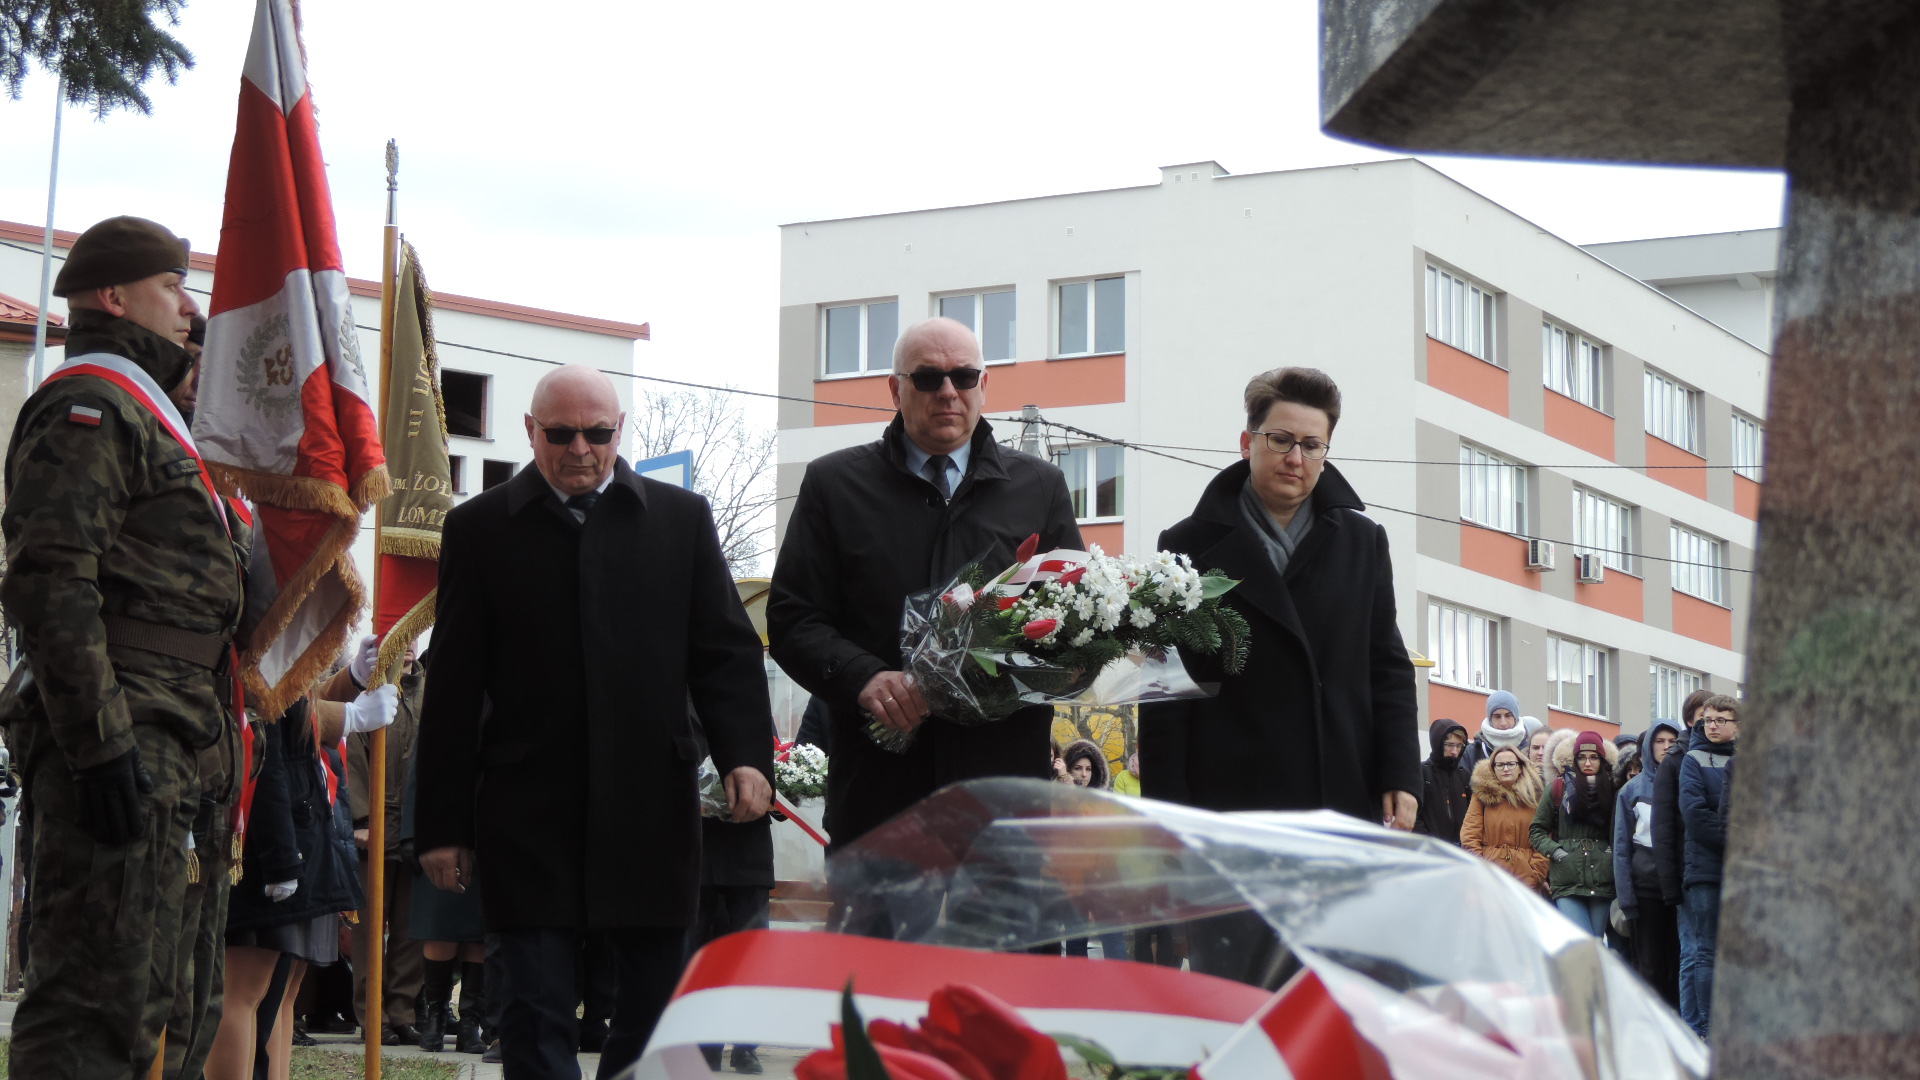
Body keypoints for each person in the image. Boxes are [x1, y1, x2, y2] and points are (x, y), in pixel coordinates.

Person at [414, 364, 775, 1079]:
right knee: (532, 1013)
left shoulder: (680, 519)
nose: (580, 449)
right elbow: (453, 684)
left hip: (651, 806)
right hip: (528, 811)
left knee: (656, 1013)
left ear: (620, 430)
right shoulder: (479, 528)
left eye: (598, 433)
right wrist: (442, 824)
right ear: (530, 431)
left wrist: (746, 756)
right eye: (560, 434)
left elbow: (725, 653)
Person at [0, 215, 253, 1079]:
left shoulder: (154, 413)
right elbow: (51, 580)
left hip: (182, 734)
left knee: (177, 1002)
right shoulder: (93, 405)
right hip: (128, 734)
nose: (191, 309)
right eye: (172, 288)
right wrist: (100, 744)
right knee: (95, 1009)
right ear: (113, 296)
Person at [767, 317, 1082, 859]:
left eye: (964, 376)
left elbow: (1072, 614)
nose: (948, 392)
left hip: (1002, 797)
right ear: (895, 389)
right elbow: (794, 618)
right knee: (879, 923)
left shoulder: (1039, 486)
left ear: (985, 386)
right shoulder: (834, 485)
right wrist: (864, 678)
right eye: (928, 377)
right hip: (878, 795)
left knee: (1000, 923)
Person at [1138, 367, 1418, 827]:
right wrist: (1166, 810)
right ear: (1247, 443)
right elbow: (1164, 688)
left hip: (1339, 788)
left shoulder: (1362, 542)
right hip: (1227, 797)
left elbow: (1387, 666)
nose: (1295, 458)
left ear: (1325, 453)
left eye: (1312, 445)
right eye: (1281, 440)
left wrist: (1401, 773)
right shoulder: (1186, 545)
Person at [343, 634, 427, 1045]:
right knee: (369, 930)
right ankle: (370, 1015)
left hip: (417, 827)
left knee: (412, 929)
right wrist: (361, 816)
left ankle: (401, 1012)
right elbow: (353, 753)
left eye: (414, 636)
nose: (408, 643)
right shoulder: (370, 690)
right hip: (375, 824)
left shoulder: (431, 692)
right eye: (399, 635)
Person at [1653, 687, 1715, 1034]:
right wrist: (1669, 881)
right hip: (1684, 870)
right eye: (1705, 717)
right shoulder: (1675, 761)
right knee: (1692, 951)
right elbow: (1663, 827)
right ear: (1691, 720)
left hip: (1711, 869)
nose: (1712, 724)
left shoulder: (1723, 756)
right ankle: (1692, 1026)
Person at [1679, 695, 1738, 1040]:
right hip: (1705, 867)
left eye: (1720, 720)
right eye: (1707, 720)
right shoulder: (1692, 759)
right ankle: (1708, 1028)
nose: (1712, 726)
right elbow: (1695, 813)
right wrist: (1735, 843)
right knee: (1707, 950)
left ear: (1737, 726)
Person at [1615, 718, 1683, 1008]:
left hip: (1680, 890)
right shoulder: (1631, 790)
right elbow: (1621, 848)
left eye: (1672, 742)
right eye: (1660, 741)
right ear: (1648, 746)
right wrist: (1626, 898)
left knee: (1679, 964)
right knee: (1650, 967)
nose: (1666, 747)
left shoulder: (1686, 782)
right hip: (1645, 891)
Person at [1531, 731, 1618, 937]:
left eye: (1594, 757)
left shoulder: (1613, 789)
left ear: (1602, 759)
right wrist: (1556, 851)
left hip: (1602, 879)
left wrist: (1609, 852)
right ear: (1574, 759)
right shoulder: (1558, 788)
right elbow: (1537, 830)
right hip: (1567, 879)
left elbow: (1621, 830)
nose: (1587, 763)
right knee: (1583, 940)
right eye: (1582, 757)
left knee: (1595, 942)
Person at [1459, 746, 1549, 894]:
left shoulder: (1535, 796)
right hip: (1488, 876)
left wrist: (1533, 876)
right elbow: (1470, 836)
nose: (1505, 769)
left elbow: (1543, 841)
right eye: (1500, 765)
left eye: (1511, 764)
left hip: (1525, 879)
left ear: (1520, 767)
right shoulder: (1482, 796)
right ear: (1493, 768)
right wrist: (1481, 869)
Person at [1413, 718, 1472, 844]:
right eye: (1450, 745)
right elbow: (1413, 816)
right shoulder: (1422, 773)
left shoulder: (1464, 775)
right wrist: (1430, 844)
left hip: (1462, 849)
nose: (1455, 751)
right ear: (1438, 744)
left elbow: (1474, 815)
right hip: (1429, 849)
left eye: (1459, 746)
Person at [1460, 691, 1527, 774]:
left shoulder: (1530, 749)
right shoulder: (1472, 753)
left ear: (1515, 717)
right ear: (1490, 719)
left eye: (1508, 715)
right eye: (1497, 717)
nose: (1503, 723)